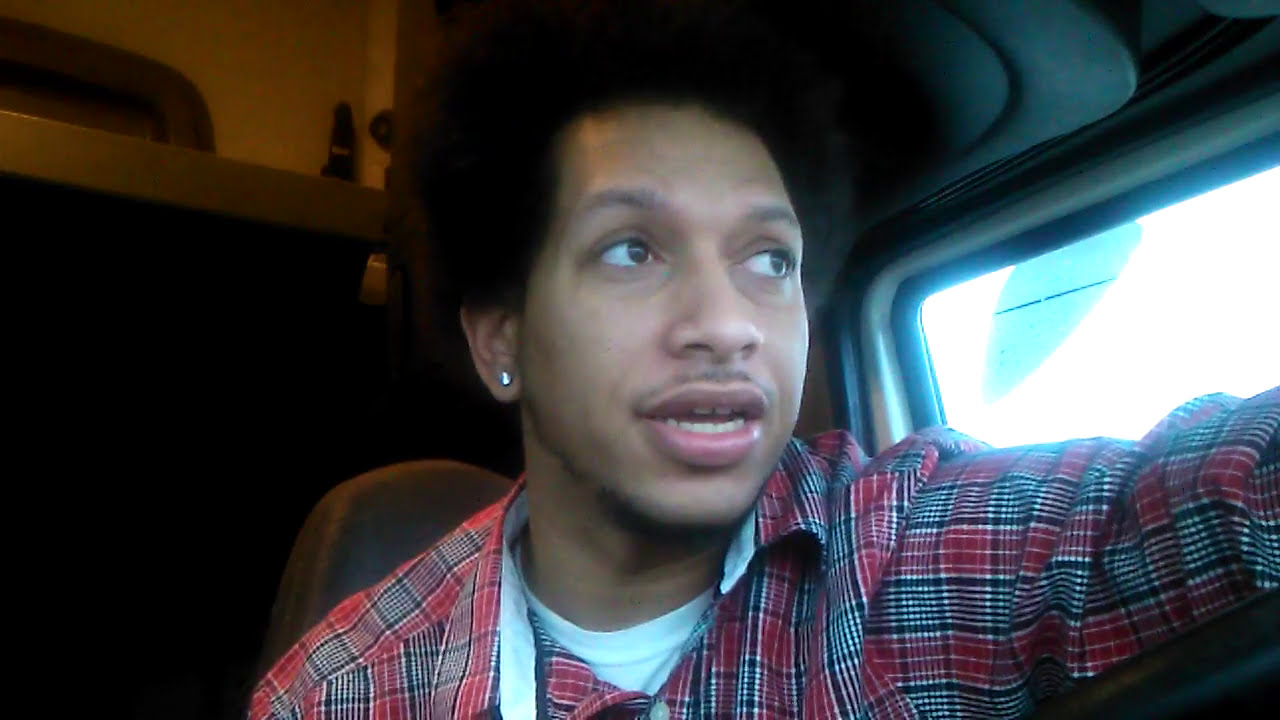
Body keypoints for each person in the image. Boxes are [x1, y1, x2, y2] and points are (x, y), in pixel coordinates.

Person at [249, 1, 1279, 718]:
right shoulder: (344, 695)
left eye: (768, 259)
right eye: (632, 249)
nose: (726, 322)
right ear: (499, 338)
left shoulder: (897, 552)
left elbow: (1203, 503)